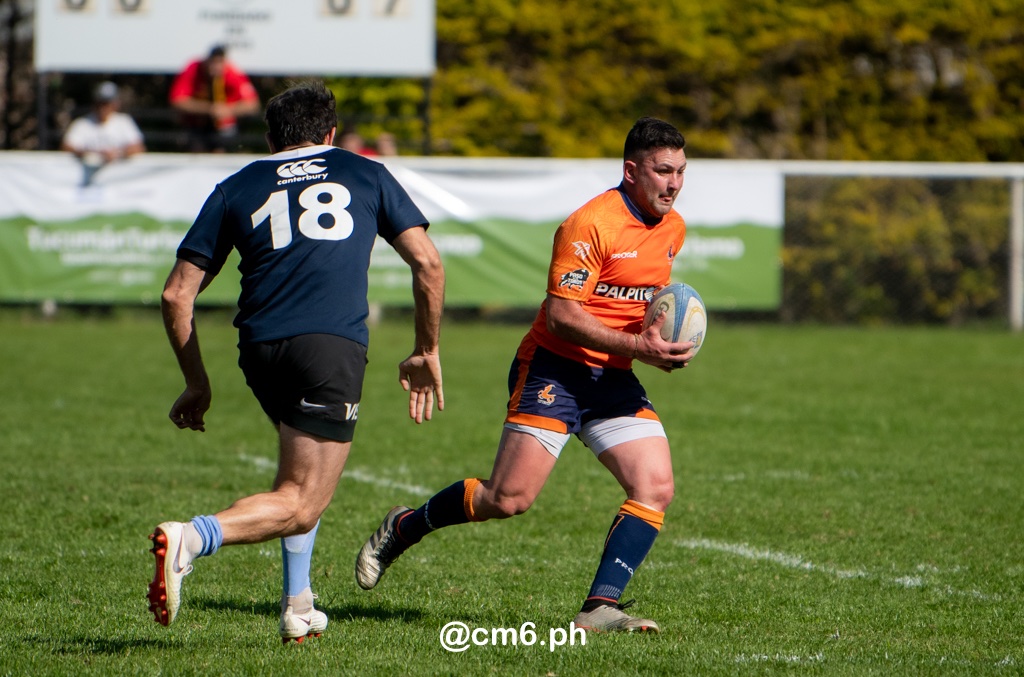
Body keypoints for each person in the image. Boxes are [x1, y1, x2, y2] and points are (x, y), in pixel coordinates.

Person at [355, 117, 694, 633]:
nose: (673, 183)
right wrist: (640, 347)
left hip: (613, 376)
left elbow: (639, 303)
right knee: (508, 500)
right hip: (554, 367)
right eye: (662, 170)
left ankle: (599, 607)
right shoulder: (590, 225)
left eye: (680, 172)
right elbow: (562, 314)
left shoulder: (673, 229)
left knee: (655, 485)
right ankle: (406, 526)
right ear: (631, 170)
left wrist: (666, 335)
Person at [147, 80, 445, 644]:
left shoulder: (237, 185)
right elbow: (428, 264)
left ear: (269, 137)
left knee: (298, 478)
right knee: (303, 501)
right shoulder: (364, 171)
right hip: (328, 347)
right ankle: (191, 538)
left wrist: (196, 383)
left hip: (259, 349)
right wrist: (427, 350)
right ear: (331, 134)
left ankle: (298, 605)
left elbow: (175, 295)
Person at [169, 45, 261, 152]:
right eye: (213, 62)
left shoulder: (232, 72)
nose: (215, 67)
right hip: (197, 125)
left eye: (219, 63)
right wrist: (209, 109)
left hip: (224, 127)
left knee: (225, 143)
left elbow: (252, 104)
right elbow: (177, 100)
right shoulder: (194, 69)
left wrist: (228, 110)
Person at [60, 81, 145, 186]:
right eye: (100, 103)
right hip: (87, 185)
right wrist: (86, 153)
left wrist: (118, 154)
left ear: (115, 104)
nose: (103, 107)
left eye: (107, 103)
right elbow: (67, 146)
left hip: (119, 184)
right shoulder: (82, 123)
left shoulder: (123, 122)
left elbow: (138, 147)